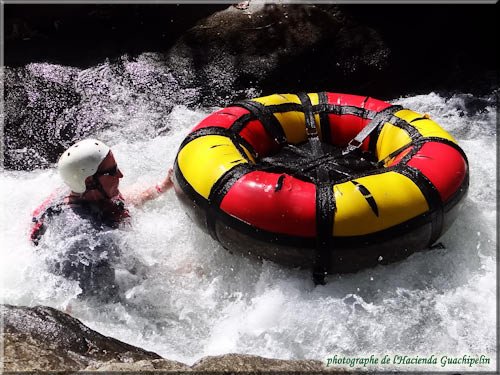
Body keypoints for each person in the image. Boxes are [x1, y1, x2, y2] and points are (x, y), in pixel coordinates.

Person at [30, 138, 173, 301]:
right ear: (90, 180)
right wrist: (181, 273)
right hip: (92, 302)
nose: (120, 174)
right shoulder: (92, 237)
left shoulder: (77, 191)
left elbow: (121, 201)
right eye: (112, 171)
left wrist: (162, 187)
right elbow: (147, 274)